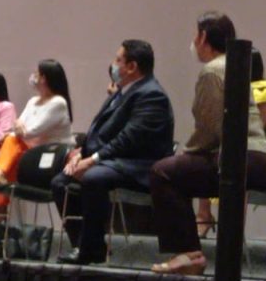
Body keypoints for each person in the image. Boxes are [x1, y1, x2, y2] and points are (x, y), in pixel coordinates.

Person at [149, 11, 266, 275]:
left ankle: (188, 254)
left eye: (196, 35)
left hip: (238, 158)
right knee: (179, 170)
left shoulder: (211, 71)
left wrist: (187, 152)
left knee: (163, 172)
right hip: (258, 156)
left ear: (203, 36)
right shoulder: (234, 64)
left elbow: (211, 127)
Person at [52, 40, 175, 264]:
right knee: (61, 182)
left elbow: (129, 139)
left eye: (118, 60)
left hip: (138, 165)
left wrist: (92, 160)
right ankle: (85, 245)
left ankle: (89, 250)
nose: (113, 65)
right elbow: (99, 133)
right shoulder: (122, 92)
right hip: (114, 161)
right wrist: (81, 154)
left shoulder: (151, 94)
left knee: (93, 177)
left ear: (132, 66)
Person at [195, 47, 266, 237]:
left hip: (255, 148)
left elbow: (256, 127)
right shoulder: (229, 87)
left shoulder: (263, 90)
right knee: (201, 156)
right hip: (227, 143)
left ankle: (233, 234)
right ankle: (203, 215)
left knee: (239, 165)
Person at [0, 59, 73, 225]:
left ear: (44, 78)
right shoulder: (32, 101)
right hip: (31, 153)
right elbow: (18, 125)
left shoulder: (58, 103)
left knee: (12, 141)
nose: (33, 76)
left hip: (50, 159)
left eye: (37, 73)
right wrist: (18, 128)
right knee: (12, 143)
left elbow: (32, 130)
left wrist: (19, 128)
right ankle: (0, 185)